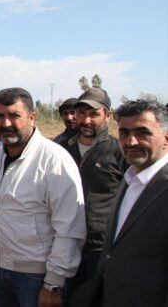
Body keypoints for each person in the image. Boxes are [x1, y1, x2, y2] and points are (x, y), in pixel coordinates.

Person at [0, 88, 85, 307]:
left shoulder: (54, 159)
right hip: (0, 270)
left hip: (37, 278)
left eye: (14, 115)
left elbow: (69, 227)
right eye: (0, 116)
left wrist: (54, 283)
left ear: (32, 117)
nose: (6, 123)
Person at [72, 99, 168, 307]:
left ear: (166, 138)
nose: (131, 142)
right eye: (124, 133)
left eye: (142, 132)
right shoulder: (130, 179)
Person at [58, 88, 127, 303]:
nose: (86, 120)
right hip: (65, 243)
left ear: (108, 115)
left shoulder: (119, 152)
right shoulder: (60, 149)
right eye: (81, 113)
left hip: (100, 247)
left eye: (94, 114)